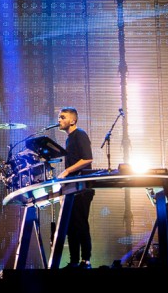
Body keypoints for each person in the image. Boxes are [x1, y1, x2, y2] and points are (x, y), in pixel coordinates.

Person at [56, 106, 95, 269]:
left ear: (73, 120)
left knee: (80, 223)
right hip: (72, 188)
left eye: (63, 117)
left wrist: (66, 171)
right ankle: (73, 262)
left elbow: (87, 159)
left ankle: (85, 261)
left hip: (82, 188)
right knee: (71, 226)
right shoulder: (69, 139)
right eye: (59, 117)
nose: (59, 120)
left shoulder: (80, 134)